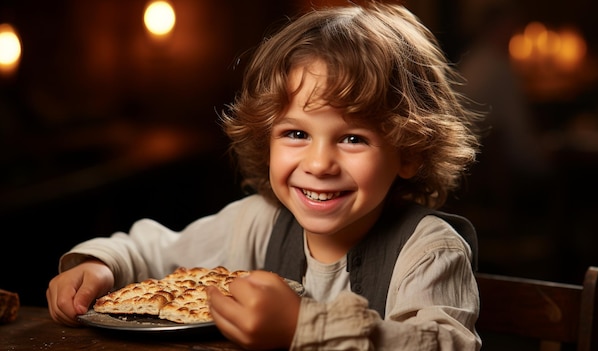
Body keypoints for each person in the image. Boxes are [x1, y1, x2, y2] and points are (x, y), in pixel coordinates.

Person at [47, 2, 484, 350]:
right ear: (265, 139)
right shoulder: (260, 221)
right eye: (296, 133)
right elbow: (154, 251)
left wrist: (303, 327)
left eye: (352, 139)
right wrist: (101, 267)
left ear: (409, 152)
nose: (318, 164)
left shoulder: (429, 252)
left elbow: (442, 344)